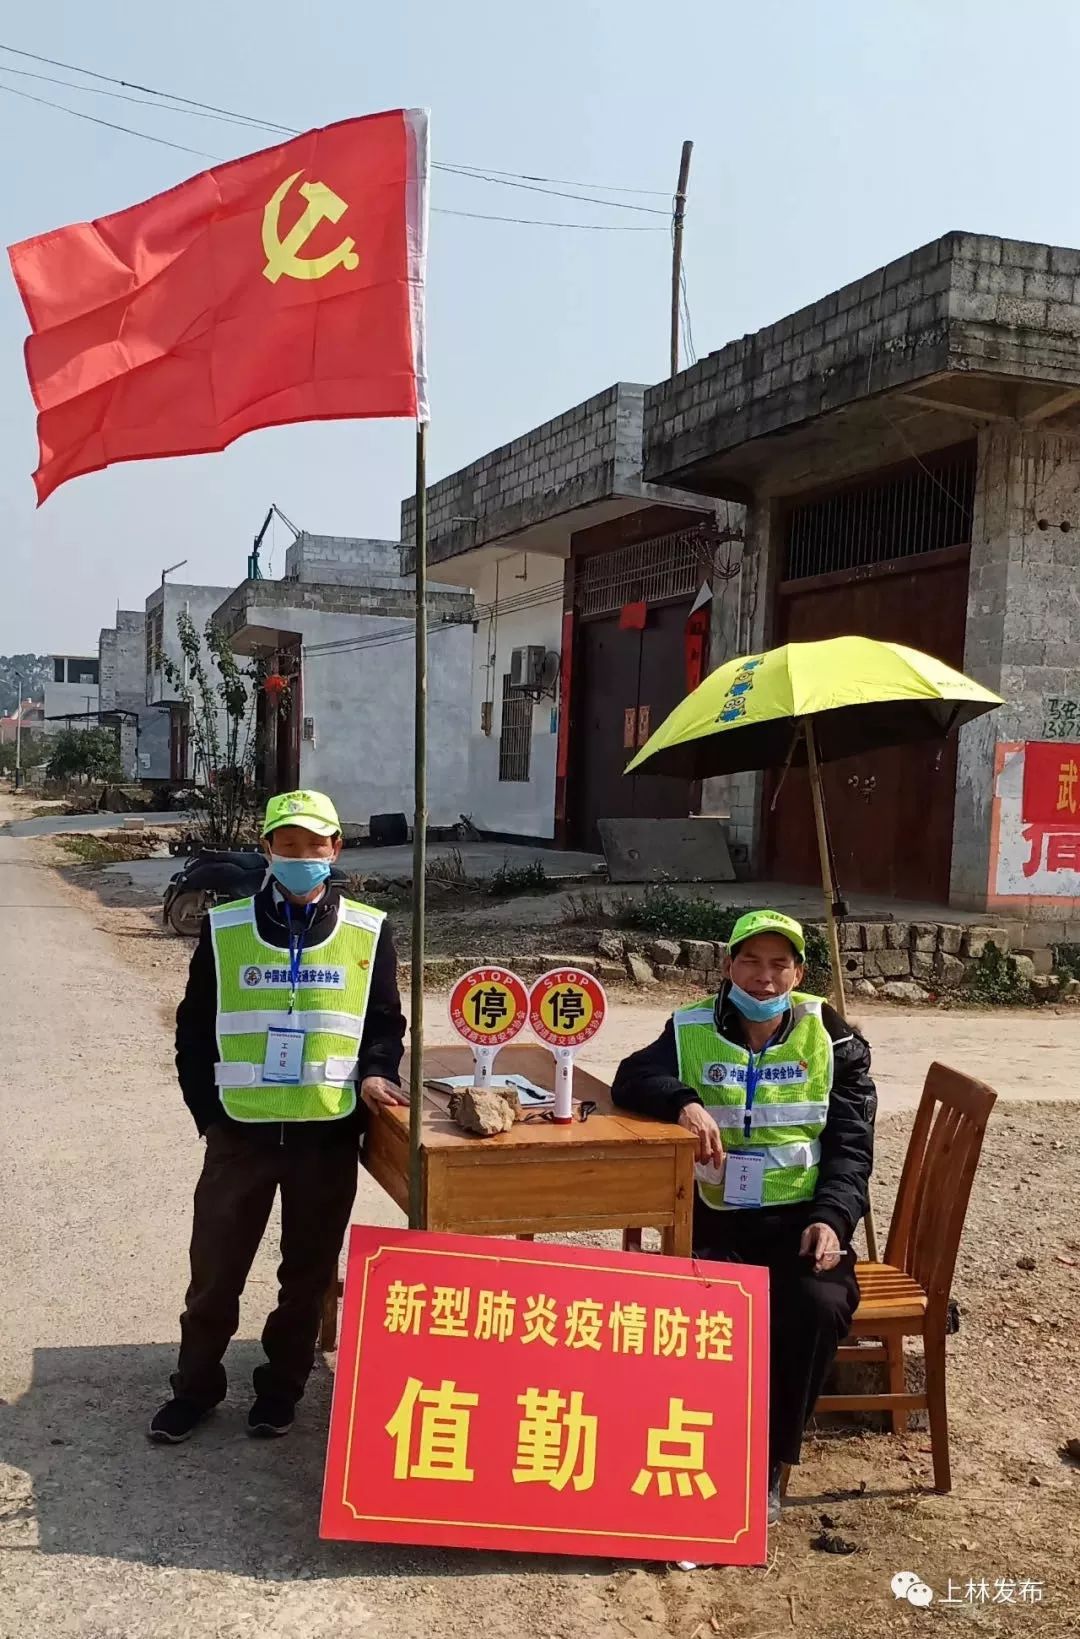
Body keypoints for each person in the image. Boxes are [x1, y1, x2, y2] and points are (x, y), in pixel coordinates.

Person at [149, 789, 407, 1444]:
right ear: (268, 849)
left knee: (307, 1276)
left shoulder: (369, 931)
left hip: (325, 1133)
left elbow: (383, 1025)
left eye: (314, 845)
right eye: (287, 845)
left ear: (335, 850)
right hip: (241, 1134)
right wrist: (209, 1115)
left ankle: (281, 1389)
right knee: (214, 1272)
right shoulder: (227, 926)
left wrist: (378, 1071)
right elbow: (194, 1031)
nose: (301, 857)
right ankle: (196, 1387)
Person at [612, 909, 875, 1524]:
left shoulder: (834, 1040)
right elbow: (631, 1077)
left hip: (803, 1223)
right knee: (693, 1308)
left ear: (799, 973)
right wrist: (685, 1101)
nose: (764, 978)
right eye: (751, 962)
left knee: (817, 1305)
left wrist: (833, 1220)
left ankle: (770, 1463)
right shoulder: (690, 1027)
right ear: (728, 967)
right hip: (717, 1220)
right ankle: (688, 1448)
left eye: (779, 964)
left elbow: (852, 1147)